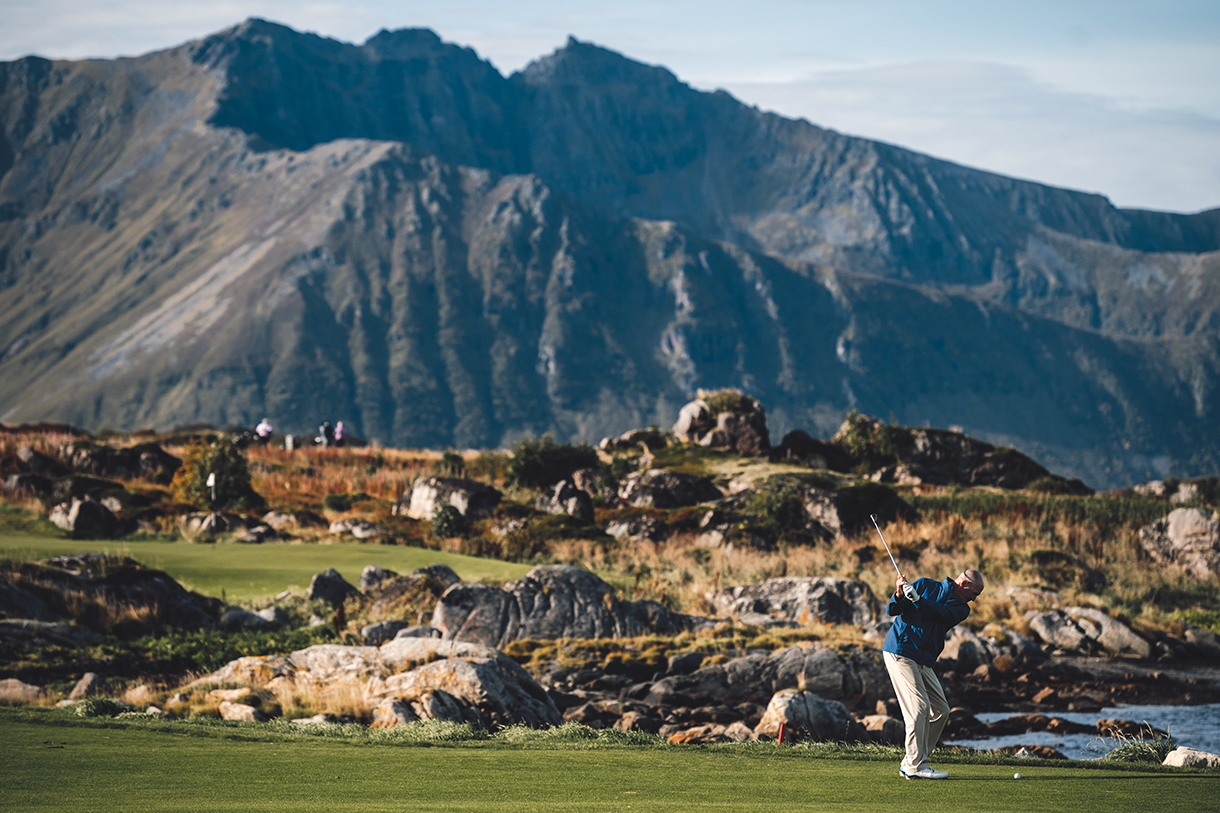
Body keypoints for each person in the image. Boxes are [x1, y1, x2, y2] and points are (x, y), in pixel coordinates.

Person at [882, 567, 985, 780]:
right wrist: (900, 593)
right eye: (974, 593)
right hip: (900, 651)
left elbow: (940, 613)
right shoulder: (923, 585)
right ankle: (915, 765)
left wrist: (918, 600)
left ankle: (914, 760)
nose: (974, 599)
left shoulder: (961, 609)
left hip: (924, 661)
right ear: (964, 585)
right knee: (919, 707)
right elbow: (893, 609)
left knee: (941, 710)